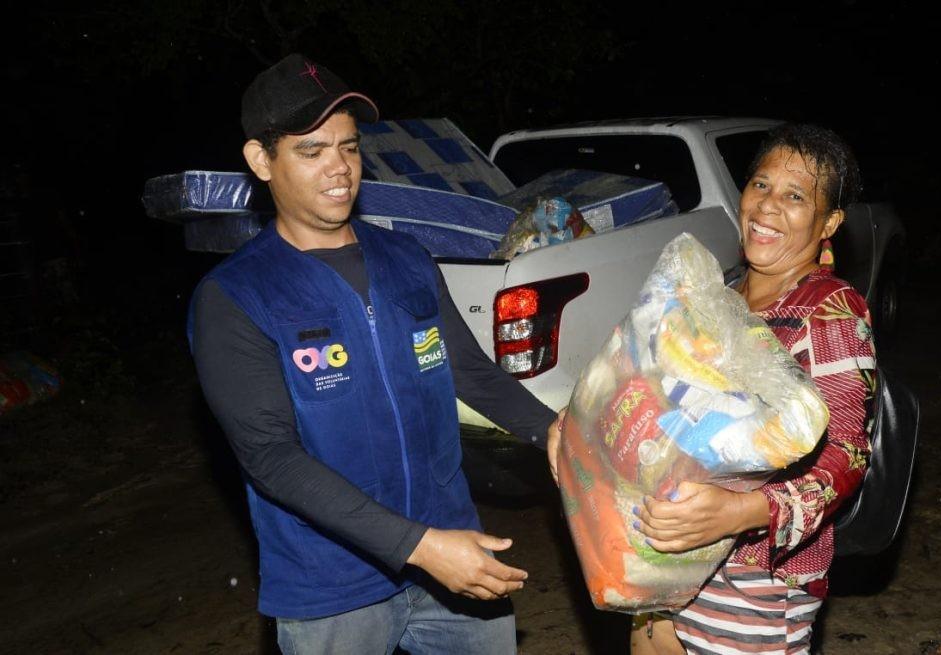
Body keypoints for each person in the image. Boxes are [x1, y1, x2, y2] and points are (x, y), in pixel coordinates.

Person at [188, 53, 559, 655]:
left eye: (350, 146)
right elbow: (270, 457)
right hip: (331, 585)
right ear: (261, 160)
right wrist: (419, 546)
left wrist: (553, 432)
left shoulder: (406, 257)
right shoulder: (235, 296)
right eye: (311, 151)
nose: (339, 167)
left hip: (454, 555)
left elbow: (464, 368)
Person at [549, 124, 875, 654]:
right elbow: (642, 381)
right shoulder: (716, 292)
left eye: (796, 196)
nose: (768, 206)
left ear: (829, 221)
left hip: (759, 577)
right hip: (665, 558)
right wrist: (574, 423)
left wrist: (738, 512)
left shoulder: (830, 311)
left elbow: (848, 455)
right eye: (761, 185)